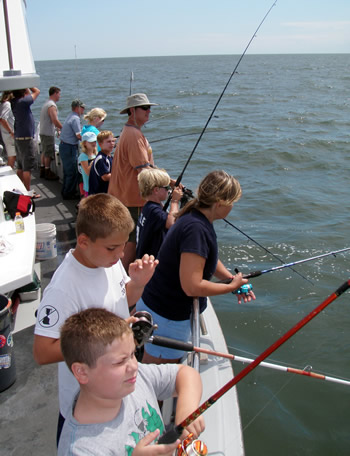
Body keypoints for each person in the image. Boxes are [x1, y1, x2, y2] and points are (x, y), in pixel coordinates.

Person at [33, 193, 158, 445]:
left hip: (117, 390)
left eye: (124, 245)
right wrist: (111, 336)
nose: (121, 253)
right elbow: (42, 352)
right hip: (86, 408)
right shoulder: (63, 289)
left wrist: (139, 283)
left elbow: (124, 300)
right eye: (113, 247)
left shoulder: (108, 261)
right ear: (84, 241)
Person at [136, 170, 256, 364]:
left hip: (158, 305)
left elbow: (203, 257)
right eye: (232, 202)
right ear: (219, 204)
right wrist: (230, 288)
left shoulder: (193, 214)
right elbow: (191, 286)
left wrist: (229, 278)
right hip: (167, 315)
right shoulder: (197, 229)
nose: (233, 207)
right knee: (155, 380)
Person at [57, 308, 205, 455]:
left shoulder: (135, 378)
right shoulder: (79, 450)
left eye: (133, 354)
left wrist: (187, 410)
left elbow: (185, 373)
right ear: (81, 372)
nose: (134, 366)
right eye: (120, 362)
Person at [108, 93, 158, 270]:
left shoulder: (128, 132)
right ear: (132, 110)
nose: (148, 111)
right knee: (132, 242)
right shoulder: (134, 135)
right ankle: (123, 284)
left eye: (149, 107)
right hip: (133, 201)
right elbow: (144, 172)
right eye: (144, 108)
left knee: (128, 240)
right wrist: (168, 181)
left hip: (123, 198)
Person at [136, 167, 183, 259]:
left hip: (144, 256)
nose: (169, 190)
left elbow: (164, 214)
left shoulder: (148, 207)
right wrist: (174, 201)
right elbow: (171, 223)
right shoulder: (154, 211)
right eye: (167, 188)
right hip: (151, 261)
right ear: (156, 190)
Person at [11, 87, 40, 191]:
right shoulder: (23, 102)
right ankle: (27, 192)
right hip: (26, 139)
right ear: (24, 92)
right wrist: (28, 83)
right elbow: (37, 91)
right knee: (27, 168)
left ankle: (20, 189)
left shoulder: (14, 102)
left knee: (20, 166)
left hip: (18, 137)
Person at [59, 99, 85, 200]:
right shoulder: (75, 118)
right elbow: (79, 136)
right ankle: (68, 194)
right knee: (72, 172)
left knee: (67, 171)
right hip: (69, 147)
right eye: (82, 107)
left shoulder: (70, 116)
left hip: (64, 146)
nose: (83, 110)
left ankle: (65, 191)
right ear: (77, 108)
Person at [39, 86, 62, 180]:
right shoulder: (51, 106)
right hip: (48, 133)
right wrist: (62, 128)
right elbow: (54, 120)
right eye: (59, 94)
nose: (60, 97)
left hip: (43, 131)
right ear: (55, 93)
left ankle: (42, 169)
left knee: (44, 151)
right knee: (48, 153)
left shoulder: (46, 103)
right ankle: (47, 172)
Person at [88, 130, 114, 195]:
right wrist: (121, 175)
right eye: (108, 141)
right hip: (99, 196)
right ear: (100, 144)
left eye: (113, 141)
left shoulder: (110, 157)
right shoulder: (101, 159)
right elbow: (105, 177)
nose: (112, 143)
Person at [78, 131, 97, 197]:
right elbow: (88, 172)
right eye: (91, 142)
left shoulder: (95, 154)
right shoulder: (83, 156)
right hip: (89, 187)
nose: (94, 143)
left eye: (94, 141)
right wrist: (93, 162)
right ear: (85, 143)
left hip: (96, 185)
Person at [0, 91, 16, 169]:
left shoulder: (2, 104)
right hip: (9, 135)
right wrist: (11, 132)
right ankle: (10, 174)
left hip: (6, 134)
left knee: (12, 156)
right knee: (12, 157)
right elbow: (3, 119)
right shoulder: (7, 104)